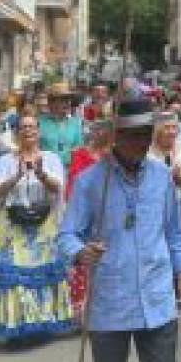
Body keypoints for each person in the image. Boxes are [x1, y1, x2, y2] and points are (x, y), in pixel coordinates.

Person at [58, 98, 181, 362]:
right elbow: (66, 235)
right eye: (133, 134)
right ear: (115, 136)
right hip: (109, 300)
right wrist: (81, 251)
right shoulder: (90, 182)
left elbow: (175, 232)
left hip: (156, 296)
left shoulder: (162, 177)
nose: (142, 141)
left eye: (146, 133)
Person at [0, 110, 72, 341]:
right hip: (13, 224)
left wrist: (40, 174)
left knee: (46, 272)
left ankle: (44, 322)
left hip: (44, 225)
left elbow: (58, 187)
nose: (28, 130)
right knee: (15, 275)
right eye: (23, 127)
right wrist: (15, 177)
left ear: (39, 132)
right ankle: (18, 324)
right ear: (17, 132)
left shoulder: (51, 158)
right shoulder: (4, 161)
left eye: (32, 127)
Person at [64, 120, 113, 325]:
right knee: (84, 264)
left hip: (107, 215)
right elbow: (73, 185)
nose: (100, 133)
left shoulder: (112, 157)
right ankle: (83, 313)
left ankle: (104, 309)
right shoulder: (80, 154)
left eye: (105, 130)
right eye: (97, 129)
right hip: (84, 213)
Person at [148, 111, 181, 238]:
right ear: (156, 130)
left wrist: (177, 177)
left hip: (179, 209)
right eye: (167, 127)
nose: (171, 132)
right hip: (151, 210)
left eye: (174, 127)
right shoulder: (146, 152)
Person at [39, 82, 84, 170]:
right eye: (63, 100)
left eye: (68, 100)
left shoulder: (75, 123)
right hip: (46, 170)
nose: (67, 103)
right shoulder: (40, 122)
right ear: (51, 102)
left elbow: (79, 149)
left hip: (68, 170)